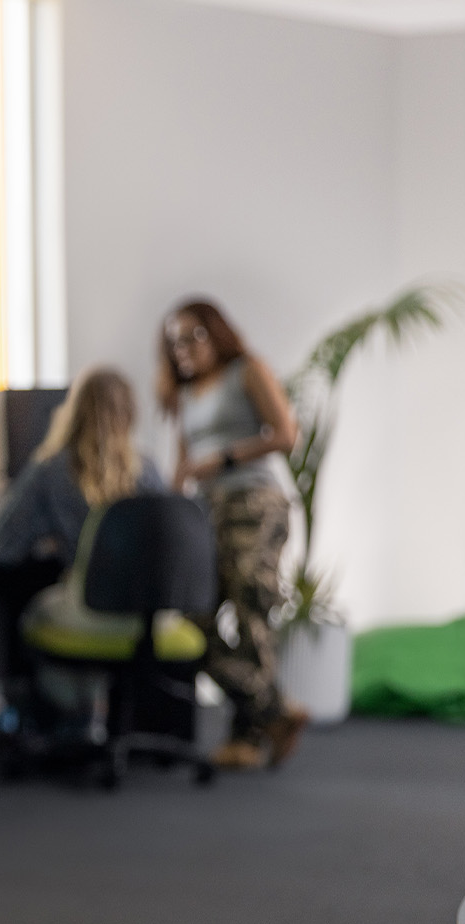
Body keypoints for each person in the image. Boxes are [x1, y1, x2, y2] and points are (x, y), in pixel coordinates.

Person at [158, 299, 309, 770]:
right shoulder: (184, 395)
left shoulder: (247, 370)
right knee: (192, 620)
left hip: (253, 504)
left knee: (250, 613)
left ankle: (246, 738)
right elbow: (181, 467)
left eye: (192, 336)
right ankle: (275, 710)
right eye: (174, 342)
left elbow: (286, 434)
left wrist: (223, 459)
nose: (183, 349)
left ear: (216, 333)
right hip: (206, 513)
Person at [0, 366, 163, 565]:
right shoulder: (148, 470)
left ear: (72, 412)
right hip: (147, 594)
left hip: (87, 593)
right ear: (130, 414)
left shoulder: (50, 469)